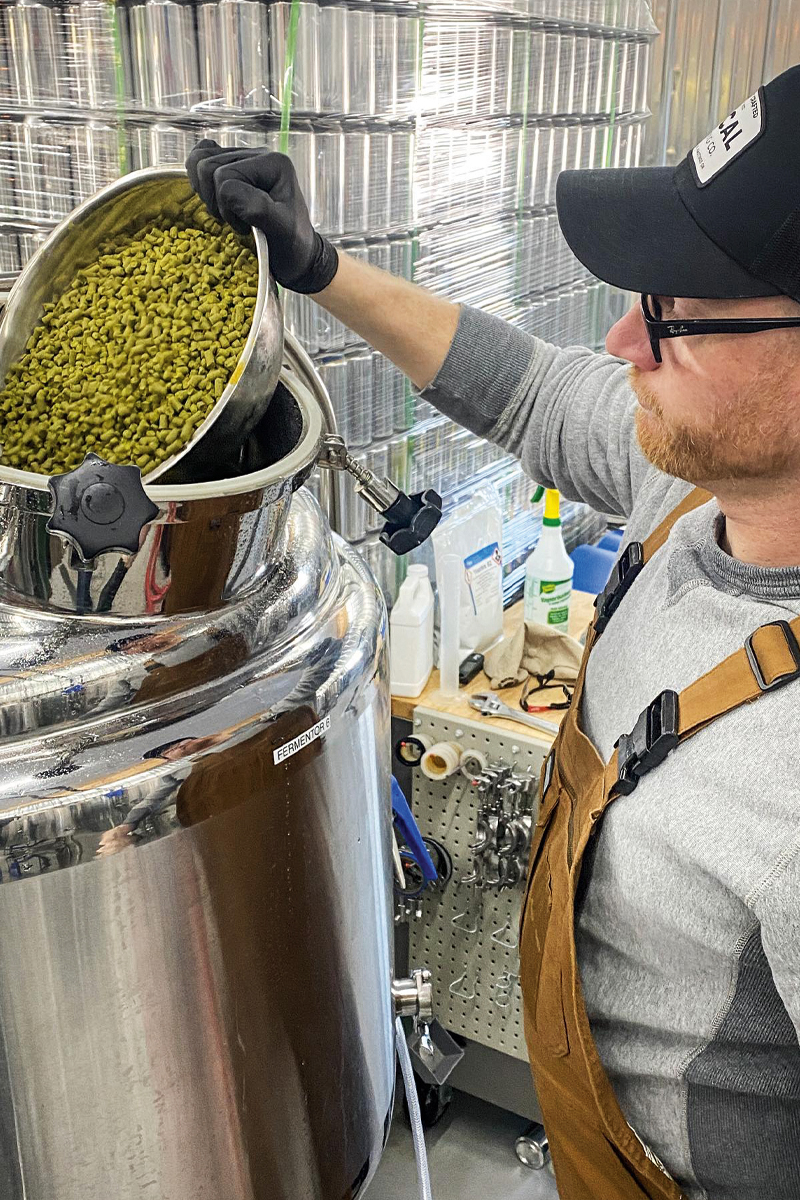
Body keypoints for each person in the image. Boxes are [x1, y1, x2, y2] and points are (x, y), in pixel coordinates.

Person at [187, 64, 800, 1200]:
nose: (622, 340)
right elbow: (517, 385)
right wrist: (318, 268)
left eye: (674, 313)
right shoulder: (692, 494)